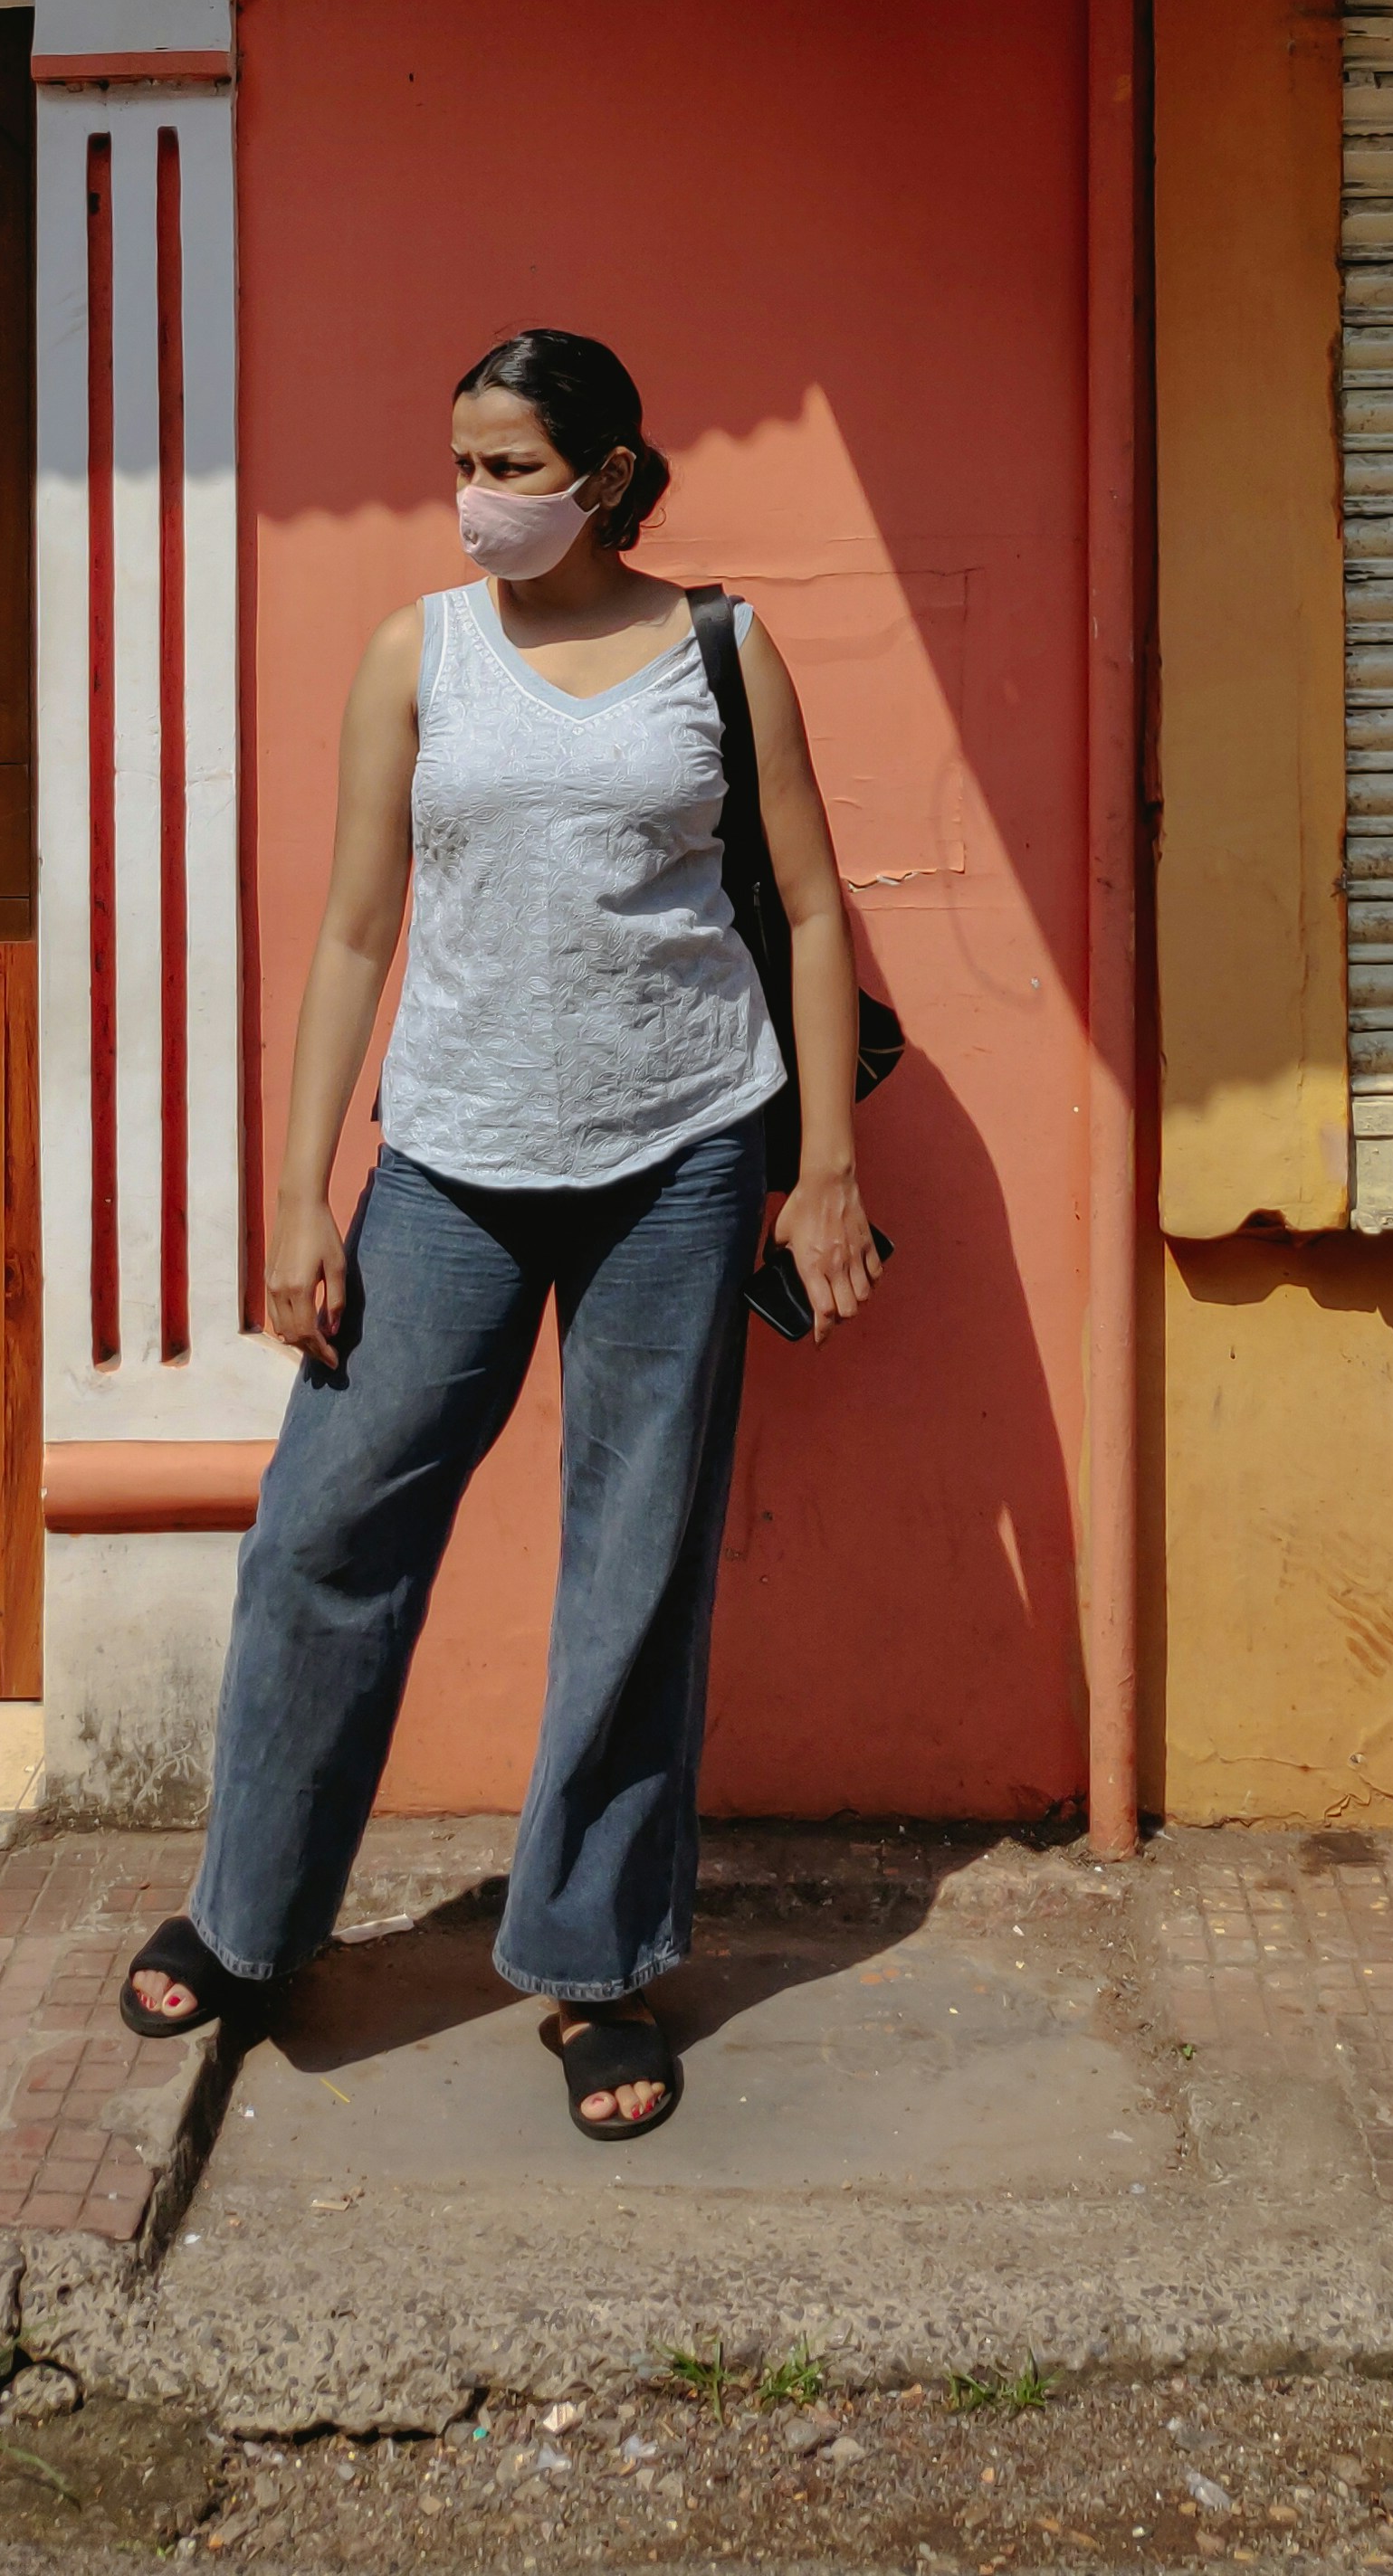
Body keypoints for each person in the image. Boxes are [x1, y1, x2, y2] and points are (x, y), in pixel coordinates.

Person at [116, 327, 882, 2140]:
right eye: (463, 459)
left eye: (516, 466)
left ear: (608, 476)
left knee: (635, 1566)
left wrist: (825, 1161)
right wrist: (301, 1186)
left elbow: (821, 906)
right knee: (324, 1532)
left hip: (677, 1159)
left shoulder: (725, 650)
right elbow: (359, 929)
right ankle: (250, 1923)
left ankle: (597, 1969)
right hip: (450, 1163)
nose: (479, 498)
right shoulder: (419, 652)